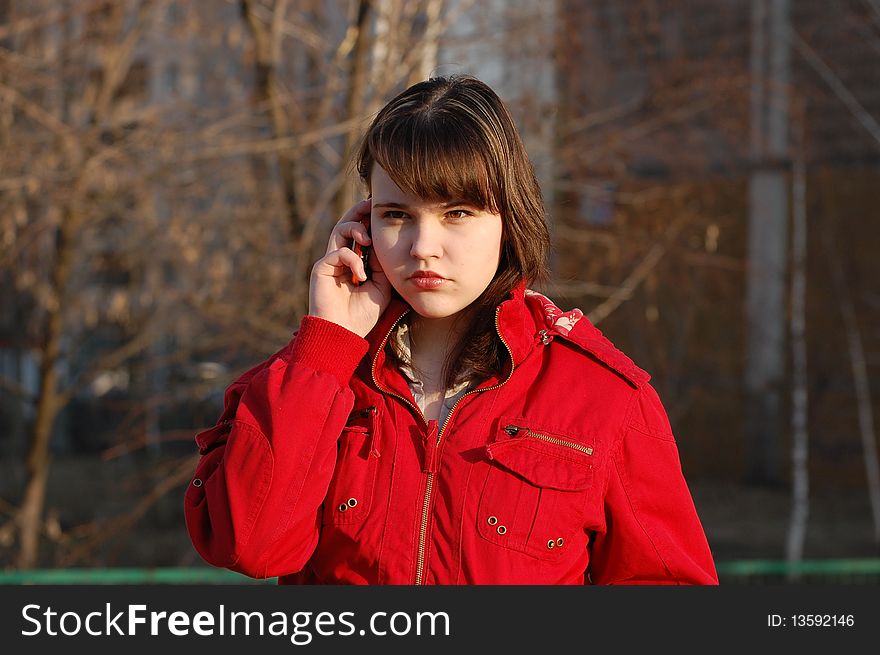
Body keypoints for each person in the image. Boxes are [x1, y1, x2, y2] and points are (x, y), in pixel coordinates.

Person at [184, 74, 718, 585]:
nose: (422, 247)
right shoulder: (310, 377)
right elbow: (249, 547)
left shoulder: (604, 396)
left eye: (458, 212)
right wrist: (327, 345)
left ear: (509, 218)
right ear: (362, 223)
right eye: (396, 215)